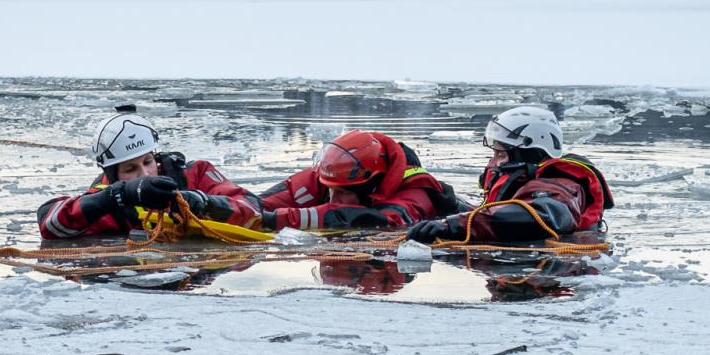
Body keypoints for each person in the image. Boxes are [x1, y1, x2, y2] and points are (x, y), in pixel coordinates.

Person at [37, 108, 267, 239]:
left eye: (148, 162)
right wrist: (120, 196)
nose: (145, 174)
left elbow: (253, 209)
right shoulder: (107, 200)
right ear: (113, 174)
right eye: (130, 169)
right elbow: (50, 223)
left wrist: (202, 201)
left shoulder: (194, 174)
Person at [406, 105, 613, 245]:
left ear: (528, 151)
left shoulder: (561, 183)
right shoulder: (532, 181)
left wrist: (452, 225)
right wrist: (449, 202)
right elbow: (499, 214)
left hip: (544, 278)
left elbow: (543, 217)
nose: (493, 163)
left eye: (500, 153)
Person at [260, 129, 460, 232]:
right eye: (331, 190)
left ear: (371, 187)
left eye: (343, 193)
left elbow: (383, 220)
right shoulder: (336, 175)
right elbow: (262, 204)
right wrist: (238, 209)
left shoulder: (417, 194)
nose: (333, 200)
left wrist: (275, 220)